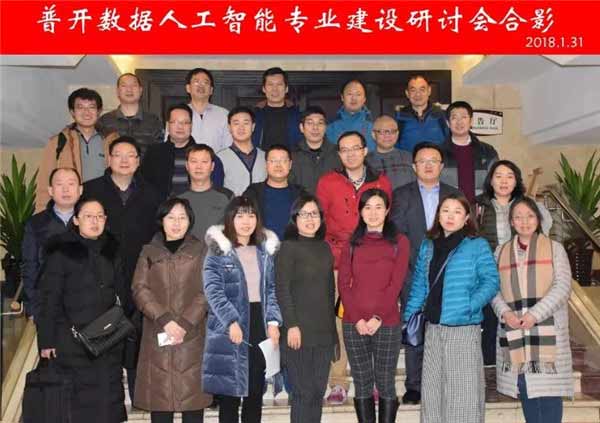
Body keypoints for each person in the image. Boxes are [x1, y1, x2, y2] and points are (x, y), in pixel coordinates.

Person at [403, 192, 499, 423]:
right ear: (438, 215)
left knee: (462, 393)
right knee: (433, 392)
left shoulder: (476, 245)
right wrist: (409, 317)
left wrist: (469, 306)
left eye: (457, 212)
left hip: (463, 328)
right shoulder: (428, 245)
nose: (450, 216)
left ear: (467, 218)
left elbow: (491, 281)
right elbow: (419, 285)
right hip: (433, 327)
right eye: (445, 210)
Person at [316, 130, 392, 405]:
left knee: (373, 320)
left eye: (355, 148)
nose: (350, 154)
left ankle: (373, 381)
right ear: (339, 154)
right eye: (344, 149)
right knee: (339, 322)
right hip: (338, 262)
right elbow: (319, 222)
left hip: (374, 262)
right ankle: (338, 382)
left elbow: (386, 220)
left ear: (364, 150)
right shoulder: (328, 182)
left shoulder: (381, 182)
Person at [36, 197, 127, 423]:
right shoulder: (61, 252)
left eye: (99, 216)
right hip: (72, 341)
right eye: (88, 216)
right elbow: (48, 299)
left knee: (108, 401)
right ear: (76, 220)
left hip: (107, 339)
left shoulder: (112, 250)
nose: (95, 221)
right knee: (79, 406)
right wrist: (46, 340)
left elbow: (122, 292)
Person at [83, 135, 161, 399]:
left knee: (139, 333)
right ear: (109, 159)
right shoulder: (91, 190)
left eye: (131, 156)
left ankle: (139, 393)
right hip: (102, 274)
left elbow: (158, 234)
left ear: (138, 161)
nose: (125, 160)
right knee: (106, 330)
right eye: (119, 155)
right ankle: (108, 395)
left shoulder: (152, 193)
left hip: (142, 274)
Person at [390, 141, 461, 404]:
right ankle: (414, 385)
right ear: (414, 166)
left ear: (441, 166)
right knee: (414, 325)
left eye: (433, 161)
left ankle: (443, 382)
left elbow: (463, 232)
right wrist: (418, 263)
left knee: (445, 327)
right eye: (422, 161)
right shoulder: (401, 195)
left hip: (449, 272)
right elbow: (397, 235)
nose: (428, 165)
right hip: (413, 272)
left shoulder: (454, 194)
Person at [492, 197, 573, 423]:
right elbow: (493, 289)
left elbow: (563, 287)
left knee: (548, 395)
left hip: (547, 333)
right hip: (515, 331)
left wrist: (534, 314)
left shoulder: (555, 248)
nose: (524, 221)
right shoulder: (500, 252)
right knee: (525, 389)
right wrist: (505, 312)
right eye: (518, 217)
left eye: (529, 216)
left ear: (538, 219)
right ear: (511, 222)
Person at [132, 198, 213, 423]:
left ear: (190, 221)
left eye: (182, 218)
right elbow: (139, 288)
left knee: (193, 405)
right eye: (171, 217)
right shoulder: (148, 251)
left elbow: (208, 289)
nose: (176, 223)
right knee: (160, 405)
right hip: (158, 333)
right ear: (162, 220)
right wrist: (164, 319)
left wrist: (185, 323)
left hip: (192, 335)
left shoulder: (202, 250)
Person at [203, 196, 282, 423]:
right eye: (240, 216)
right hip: (230, 325)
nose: (246, 221)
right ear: (230, 218)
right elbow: (213, 290)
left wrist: (273, 322)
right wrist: (231, 321)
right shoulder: (219, 250)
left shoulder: (264, 250)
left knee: (254, 393)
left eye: (251, 215)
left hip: (259, 323)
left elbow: (271, 289)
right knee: (230, 395)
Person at [338, 189, 409, 423]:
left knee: (386, 381)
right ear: (360, 211)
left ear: (387, 210)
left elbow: (395, 284)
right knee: (362, 381)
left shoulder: (399, 242)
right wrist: (358, 318)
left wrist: (378, 317)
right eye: (367, 207)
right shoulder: (351, 243)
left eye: (379, 207)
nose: (373, 213)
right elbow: (343, 284)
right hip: (354, 323)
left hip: (387, 322)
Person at [475, 160, 553, 366]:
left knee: (518, 316)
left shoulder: (526, 205)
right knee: (490, 318)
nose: (504, 181)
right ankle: (490, 363)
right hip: (486, 270)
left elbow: (543, 228)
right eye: (498, 176)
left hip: (520, 270)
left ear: (516, 181)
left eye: (509, 176)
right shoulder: (477, 205)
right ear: (490, 180)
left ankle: (521, 362)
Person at [275, 194, 336, 423]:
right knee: (303, 393)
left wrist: (333, 335)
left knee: (318, 392)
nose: (310, 219)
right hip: (298, 332)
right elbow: (282, 289)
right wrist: (291, 325)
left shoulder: (325, 248)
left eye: (314, 214)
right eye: (304, 214)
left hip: (323, 333)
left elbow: (329, 293)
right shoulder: (288, 248)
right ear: (295, 219)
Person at [36, 88, 119, 212]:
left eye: (91, 107)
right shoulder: (59, 142)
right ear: (72, 112)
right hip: (70, 210)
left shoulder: (112, 140)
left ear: (99, 111)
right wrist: (42, 214)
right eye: (80, 107)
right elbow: (44, 183)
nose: (86, 112)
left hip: (105, 209)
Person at [22, 167, 82, 319]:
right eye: (59, 184)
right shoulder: (35, 223)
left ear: (80, 190)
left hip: (85, 306)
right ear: (50, 190)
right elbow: (30, 268)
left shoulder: (92, 220)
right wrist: (33, 309)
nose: (66, 189)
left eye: (71, 184)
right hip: (48, 306)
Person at [142, 104, 225, 201]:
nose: (180, 126)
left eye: (185, 122)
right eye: (175, 122)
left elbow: (216, 189)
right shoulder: (153, 153)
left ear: (191, 126)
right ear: (168, 125)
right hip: (162, 208)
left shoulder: (205, 154)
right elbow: (144, 187)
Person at [439, 100, 499, 203]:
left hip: (480, 207)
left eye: (464, 117)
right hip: (450, 208)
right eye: (454, 118)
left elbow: (496, 181)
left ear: (471, 121)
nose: (459, 122)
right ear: (448, 123)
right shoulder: (438, 152)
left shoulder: (487, 151)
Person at [244, 144, 306, 240]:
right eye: (273, 161)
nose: (278, 165)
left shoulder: (301, 194)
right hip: (260, 246)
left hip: (293, 247)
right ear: (266, 164)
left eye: (283, 161)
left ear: (290, 165)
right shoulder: (253, 193)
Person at [98, 73, 164, 158]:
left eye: (133, 85)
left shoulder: (153, 121)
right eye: (124, 86)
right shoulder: (105, 121)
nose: (129, 89)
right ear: (117, 91)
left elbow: (159, 153)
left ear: (140, 90)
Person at [179, 144, 234, 240]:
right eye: (194, 161)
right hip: (185, 249)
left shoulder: (227, 196)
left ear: (212, 166)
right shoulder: (177, 198)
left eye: (204, 162)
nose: (199, 167)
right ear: (187, 166)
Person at [290, 105, 341, 194]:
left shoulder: (337, 153)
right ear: (301, 128)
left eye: (320, 123)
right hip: (302, 202)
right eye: (310, 123)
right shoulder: (292, 155)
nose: (315, 128)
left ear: (325, 127)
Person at [218, 106, 267, 196]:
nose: (241, 127)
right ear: (229, 127)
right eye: (236, 123)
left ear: (253, 127)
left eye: (246, 123)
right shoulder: (219, 158)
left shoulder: (265, 157)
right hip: (232, 205)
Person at [252, 67, 302, 150]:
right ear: (264, 89)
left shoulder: (298, 116)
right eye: (270, 85)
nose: (275, 89)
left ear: (286, 89)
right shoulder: (253, 116)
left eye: (279, 84)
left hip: (291, 158)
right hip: (261, 158)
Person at [395, 75, 448, 152]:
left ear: (429, 91)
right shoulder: (398, 118)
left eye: (422, 90)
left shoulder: (442, 116)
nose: (418, 94)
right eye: (413, 90)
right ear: (407, 93)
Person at [185, 67, 233, 153]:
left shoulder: (224, 114)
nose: (201, 85)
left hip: (216, 161)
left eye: (205, 82)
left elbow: (228, 147)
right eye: (196, 82)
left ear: (211, 90)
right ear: (188, 88)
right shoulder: (179, 113)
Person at [366, 115, 415, 190]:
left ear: (397, 134)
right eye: (382, 132)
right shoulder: (366, 162)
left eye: (392, 131)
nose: (387, 135)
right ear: (373, 135)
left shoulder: (410, 158)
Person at [326, 79, 376, 152]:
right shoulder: (330, 128)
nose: (354, 98)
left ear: (364, 99)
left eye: (358, 94)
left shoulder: (375, 127)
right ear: (342, 97)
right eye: (350, 94)